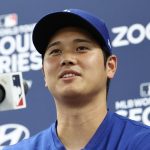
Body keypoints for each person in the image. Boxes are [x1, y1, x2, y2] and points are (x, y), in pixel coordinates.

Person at [4, 8, 150, 150]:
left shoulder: (142, 142)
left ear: (110, 66)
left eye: (81, 48)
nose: (66, 59)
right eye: (55, 51)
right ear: (44, 74)